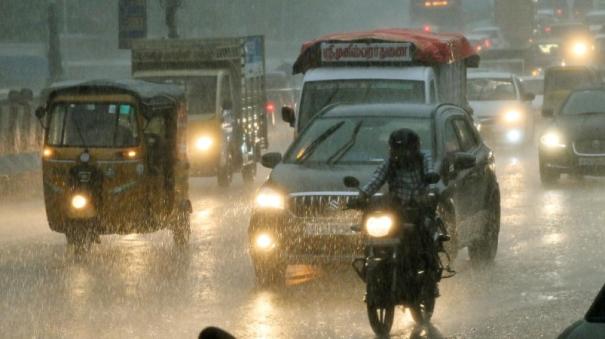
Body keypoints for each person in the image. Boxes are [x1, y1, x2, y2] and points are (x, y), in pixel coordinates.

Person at [353, 128, 446, 291]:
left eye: (405, 149)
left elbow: (431, 177)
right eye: (396, 149)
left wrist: (429, 193)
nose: (401, 154)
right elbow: (375, 181)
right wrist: (361, 196)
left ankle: (429, 275)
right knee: (369, 230)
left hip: (419, 208)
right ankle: (370, 263)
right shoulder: (389, 163)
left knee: (423, 234)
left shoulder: (425, 158)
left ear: (414, 148)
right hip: (397, 208)